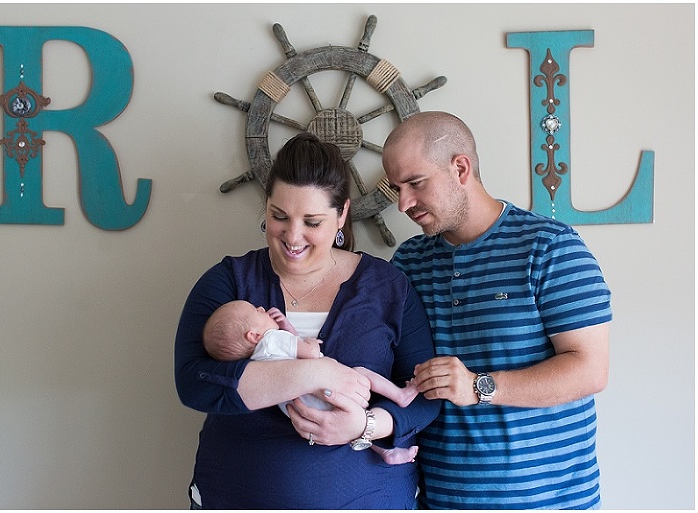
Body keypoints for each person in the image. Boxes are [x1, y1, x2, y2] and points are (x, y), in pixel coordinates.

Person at [174, 132, 441, 509]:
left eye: (312, 222)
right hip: (236, 495)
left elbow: (425, 396)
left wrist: (365, 425)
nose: (292, 236)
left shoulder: (387, 287)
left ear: (341, 215)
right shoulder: (229, 282)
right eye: (279, 216)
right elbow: (194, 383)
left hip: (369, 498)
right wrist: (317, 374)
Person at [382, 111, 612, 509]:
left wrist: (478, 387)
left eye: (415, 183)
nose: (403, 204)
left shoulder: (549, 248)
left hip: (549, 502)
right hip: (441, 501)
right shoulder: (408, 262)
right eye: (396, 188)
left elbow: (590, 370)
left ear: (460, 168)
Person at [202, 299, 421, 465]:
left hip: (308, 413)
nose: (261, 308)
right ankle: (400, 395)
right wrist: (310, 344)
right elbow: (307, 352)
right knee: (362, 372)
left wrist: (286, 326)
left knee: (350, 428)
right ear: (253, 336)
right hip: (330, 393)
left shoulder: (258, 359)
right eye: (255, 311)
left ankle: (385, 452)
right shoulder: (270, 340)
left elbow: (290, 349)